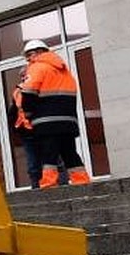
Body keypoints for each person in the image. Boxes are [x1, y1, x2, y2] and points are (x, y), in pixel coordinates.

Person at [18, 39, 92, 188]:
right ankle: (82, 182)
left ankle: (48, 184)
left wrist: (28, 114)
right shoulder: (64, 70)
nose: (28, 59)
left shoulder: (37, 67)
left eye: (29, 55)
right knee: (70, 153)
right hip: (67, 121)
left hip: (46, 121)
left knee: (48, 154)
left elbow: (29, 92)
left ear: (39, 52)